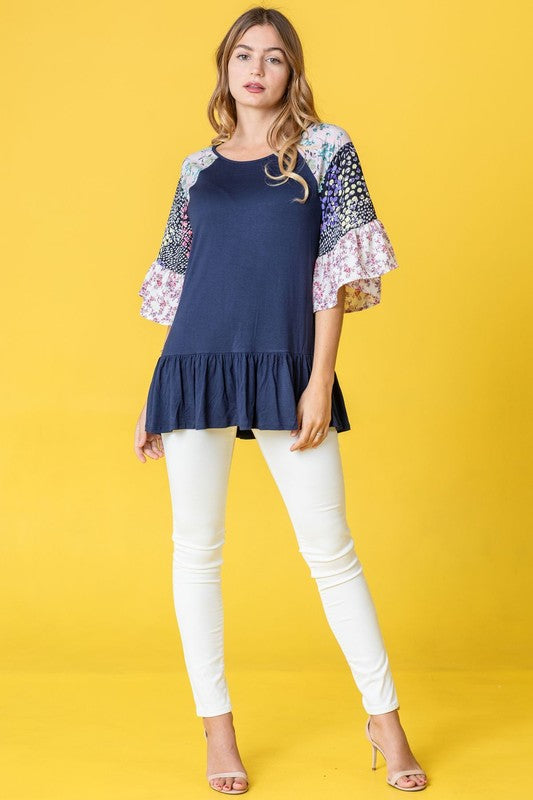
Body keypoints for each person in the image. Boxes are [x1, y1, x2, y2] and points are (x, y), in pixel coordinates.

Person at [134, 6, 428, 795]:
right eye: (242, 55)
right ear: (224, 68)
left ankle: (384, 718)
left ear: (293, 72)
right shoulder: (196, 169)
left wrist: (319, 377)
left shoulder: (325, 151)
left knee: (330, 552)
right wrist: (150, 394)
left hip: (285, 363)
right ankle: (217, 730)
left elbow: (334, 271)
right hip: (193, 364)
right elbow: (185, 284)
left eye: (273, 57)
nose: (256, 69)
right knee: (196, 553)